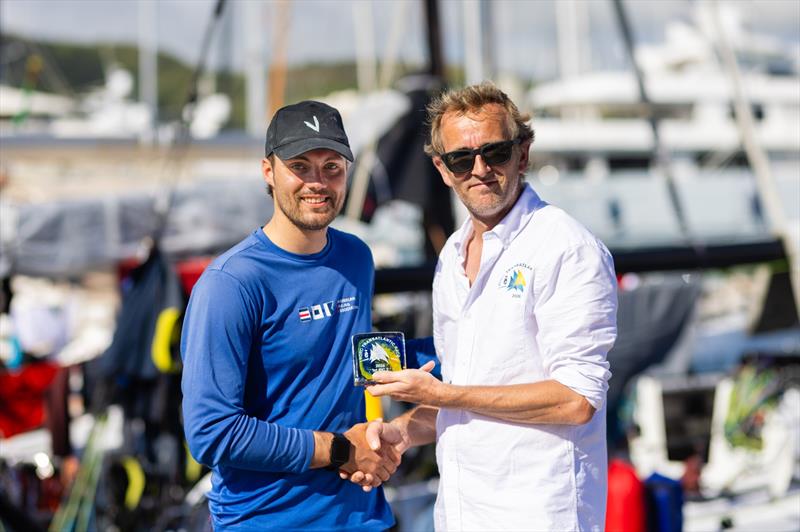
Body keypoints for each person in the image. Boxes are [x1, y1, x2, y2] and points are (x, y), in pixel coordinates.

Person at [362, 82, 618, 531]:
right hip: (462, 513)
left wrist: (442, 395)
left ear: (523, 154)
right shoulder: (451, 255)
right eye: (461, 159)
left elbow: (577, 400)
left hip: (540, 514)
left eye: (495, 152)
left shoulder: (565, 247)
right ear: (443, 170)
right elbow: (465, 392)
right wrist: (400, 433)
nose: (479, 169)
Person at [180, 100, 401, 530]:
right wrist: (340, 450)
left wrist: (391, 427)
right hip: (267, 520)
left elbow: (357, 359)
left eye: (331, 167)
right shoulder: (231, 283)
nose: (317, 182)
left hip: (362, 515)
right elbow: (211, 433)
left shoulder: (356, 257)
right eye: (300, 166)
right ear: (269, 171)